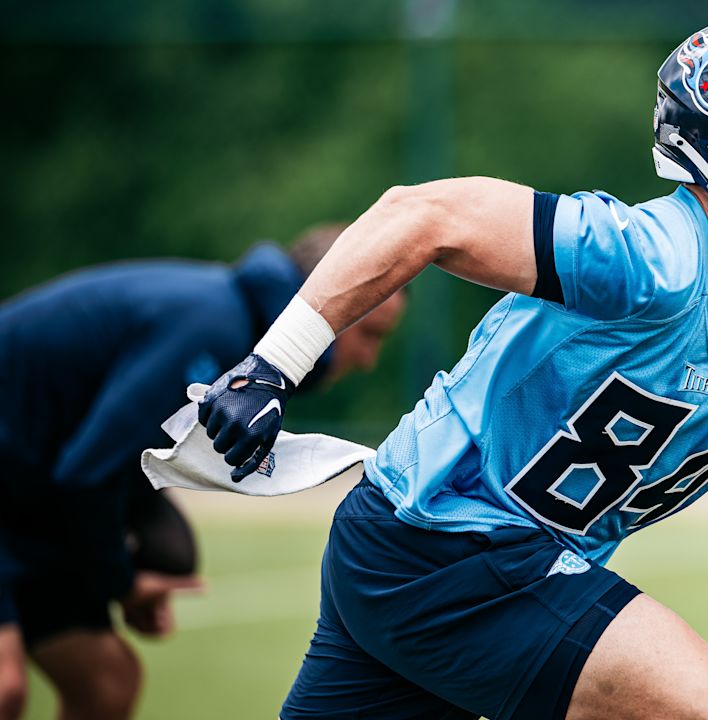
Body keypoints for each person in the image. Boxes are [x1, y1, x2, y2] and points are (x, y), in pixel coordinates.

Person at [197, 16, 708, 720]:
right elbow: (420, 214)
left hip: (438, 553)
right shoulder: (645, 259)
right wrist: (273, 366)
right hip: (450, 541)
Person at [0, 225, 407, 720]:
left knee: (106, 683)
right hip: (25, 490)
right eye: (368, 334)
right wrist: (120, 581)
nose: (368, 360)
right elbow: (88, 473)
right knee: (5, 684)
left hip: (27, 495)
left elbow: (103, 464)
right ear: (328, 308)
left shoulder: (238, 336)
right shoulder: (214, 327)